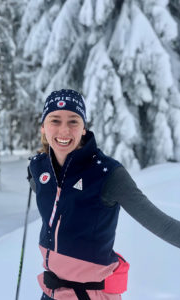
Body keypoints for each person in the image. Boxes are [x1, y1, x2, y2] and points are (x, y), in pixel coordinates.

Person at [28, 89, 180, 300]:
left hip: (91, 294)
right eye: (55, 120)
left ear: (83, 128)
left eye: (73, 121)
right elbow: (49, 196)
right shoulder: (39, 169)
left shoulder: (107, 174)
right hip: (52, 292)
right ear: (43, 127)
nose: (64, 130)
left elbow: (161, 224)